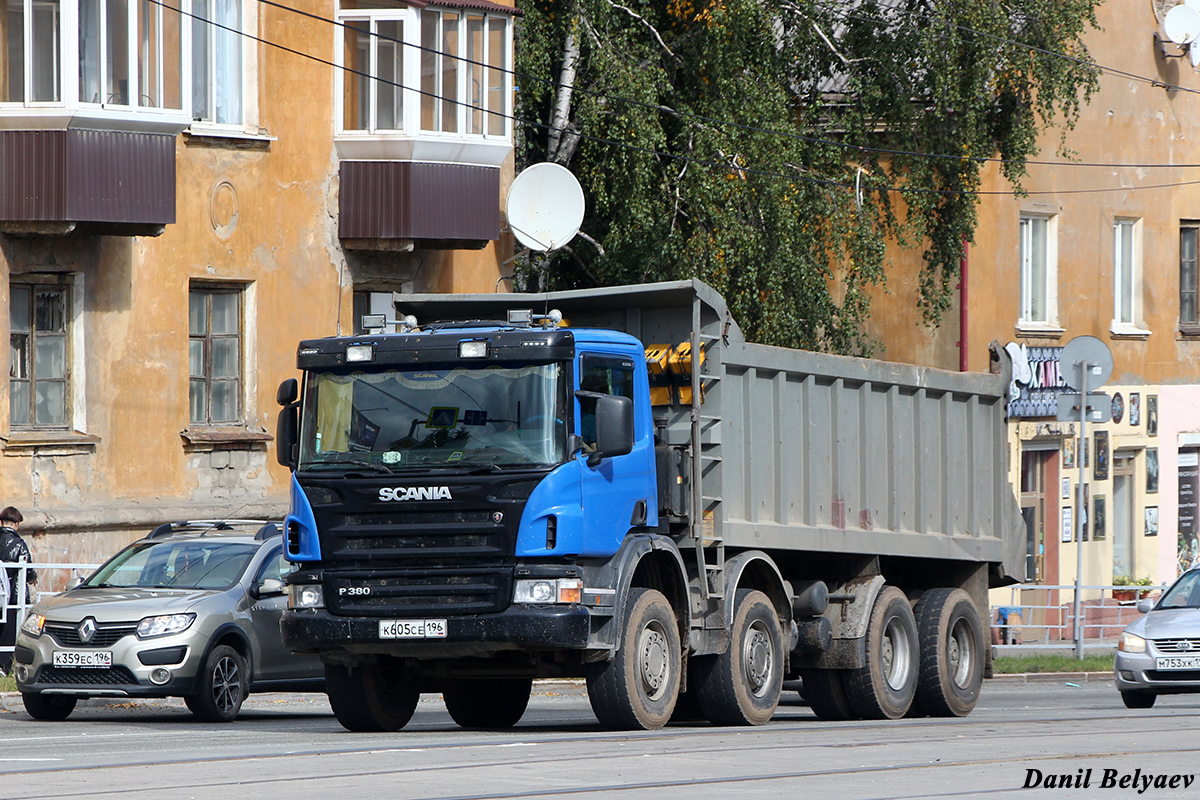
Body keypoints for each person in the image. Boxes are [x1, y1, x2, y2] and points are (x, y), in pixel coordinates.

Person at [0, 507, 36, 673]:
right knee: (9, 629)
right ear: (16, 524)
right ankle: (4, 666)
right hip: (12, 596)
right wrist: (32, 578)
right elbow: (27, 569)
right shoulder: (19, 544)